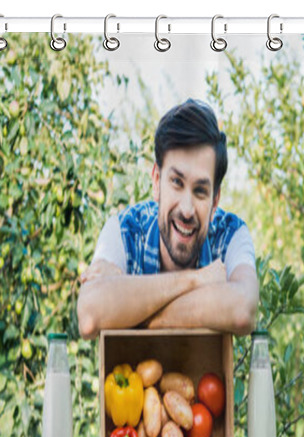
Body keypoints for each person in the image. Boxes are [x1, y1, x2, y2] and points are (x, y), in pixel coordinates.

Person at [77, 99, 258, 338]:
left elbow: (242, 310)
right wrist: (197, 280)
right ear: (156, 181)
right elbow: (90, 317)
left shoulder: (231, 234)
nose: (186, 209)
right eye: (176, 182)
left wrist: (129, 314)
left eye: (200, 191)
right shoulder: (124, 230)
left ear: (215, 200)